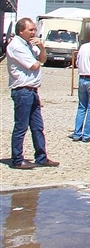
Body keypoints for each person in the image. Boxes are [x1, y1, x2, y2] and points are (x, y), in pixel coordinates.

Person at [6, 18, 59, 169]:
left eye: (34, 30)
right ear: (20, 31)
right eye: (30, 30)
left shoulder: (29, 44)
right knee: (21, 126)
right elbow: (35, 65)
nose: (33, 33)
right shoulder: (16, 46)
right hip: (22, 90)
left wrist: (42, 47)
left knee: (37, 126)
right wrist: (39, 60)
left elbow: (42, 58)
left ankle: (41, 157)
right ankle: (17, 159)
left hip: (32, 90)